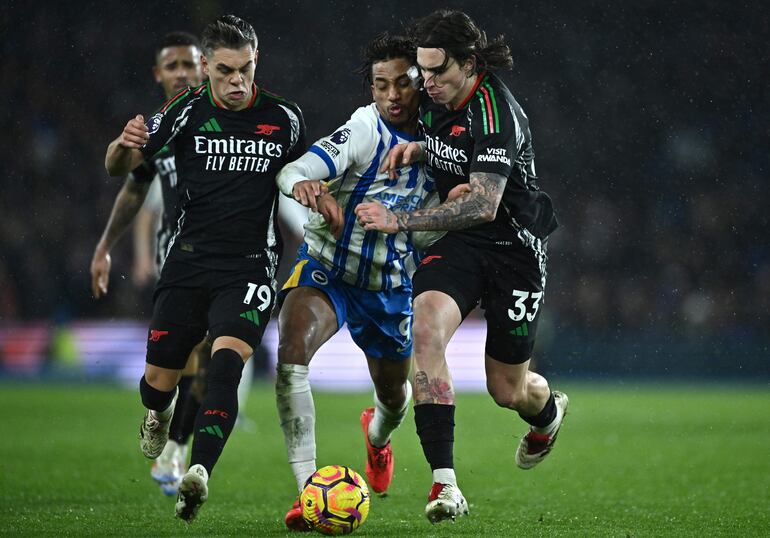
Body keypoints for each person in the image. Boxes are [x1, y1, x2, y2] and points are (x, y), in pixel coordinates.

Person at [355, 9, 569, 524]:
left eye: (437, 73)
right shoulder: (434, 102)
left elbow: (483, 204)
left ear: (469, 64)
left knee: (507, 390)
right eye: (421, 73)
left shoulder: (496, 112)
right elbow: (447, 153)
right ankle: (444, 485)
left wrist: (399, 219)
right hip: (461, 246)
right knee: (426, 327)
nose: (425, 85)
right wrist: (419, 148)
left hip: (514, 249)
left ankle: (548, 414)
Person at [104, 14, 306, 522]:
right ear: (208, 68)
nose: (238, 82)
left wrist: (316, 193)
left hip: (250, 268)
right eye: (226, 71)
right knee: (159, 382)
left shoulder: (284, 117)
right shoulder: (183, 111)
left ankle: (199, 472)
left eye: (246, 69)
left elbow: (307, 172)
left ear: (255, 60)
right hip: (188, 264)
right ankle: (159, 411)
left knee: (225, 367)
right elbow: (119, 169)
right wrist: (123, 144)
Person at [273, 33, 448, 532]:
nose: (391, 95)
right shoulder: (364, 128)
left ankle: (376, 438)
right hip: (328, 268)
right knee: (291, 357)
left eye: (403, 84)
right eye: (380, 84)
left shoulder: (448, 139)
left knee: (393, 400)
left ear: (423, 84)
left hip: (389, 286)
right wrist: (306, 183)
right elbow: (296, 169)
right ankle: (308, 492)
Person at [89, 31, 210, 496]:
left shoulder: (229, 115)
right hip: (175, 258)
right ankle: (162, 419)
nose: (182, 72)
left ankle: (176, 450)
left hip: (226, 261)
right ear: (158, 74)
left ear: (205, 67)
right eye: (172, 66)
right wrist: (104, 247)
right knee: (172, 366)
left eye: (190, 64)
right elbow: (131, 184)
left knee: (205, 351)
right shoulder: (157, 127)